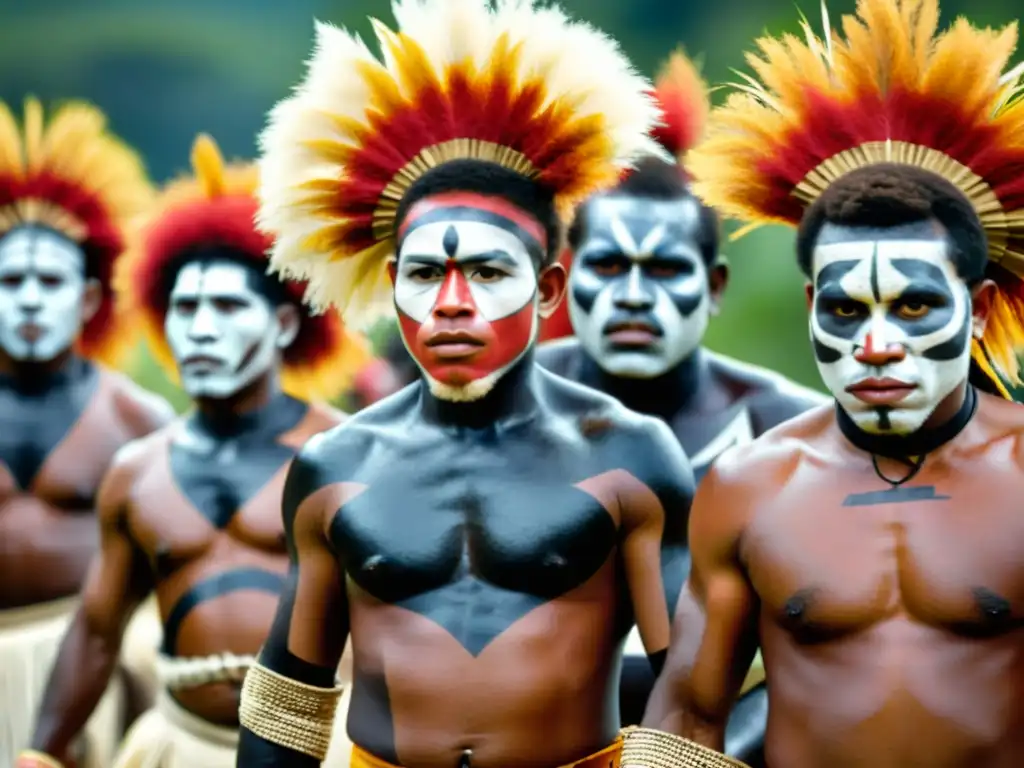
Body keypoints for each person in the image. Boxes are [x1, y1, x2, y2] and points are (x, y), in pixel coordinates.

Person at [236, 1, 696, 766]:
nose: (452, 302)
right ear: (392, 284)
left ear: (549, 290)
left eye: (487, 272)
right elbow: (289, 698)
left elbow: (691, 689)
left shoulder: (631, 459)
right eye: (426, 274)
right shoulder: (334, 467)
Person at [626, 0, 1024, 766]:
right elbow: (690, 717)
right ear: (811, 305)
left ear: (974, 311)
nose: (875, 345)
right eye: (846, 309)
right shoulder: (751, 485)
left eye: (913, 306)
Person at [16, 134, 370, 768]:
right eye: (185, 307)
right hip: (176, 743)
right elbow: (97, 632)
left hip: (323, 747)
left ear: (284, 325)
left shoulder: (348, 453)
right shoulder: (136, 472)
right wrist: (43, 752)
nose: (202, 328)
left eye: (229, 305)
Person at [536, 51, 827, 761]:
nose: (634, 295)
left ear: (716, 285)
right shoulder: (508, 407)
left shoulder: (787, 427)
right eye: (609, 266)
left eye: (664, 269)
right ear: (564, 279)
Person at [0, 97, 175, 768]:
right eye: (11, 280)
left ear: (90, 299)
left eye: (51, 281)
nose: (32, 298)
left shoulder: (135, 421)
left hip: (85, 671)